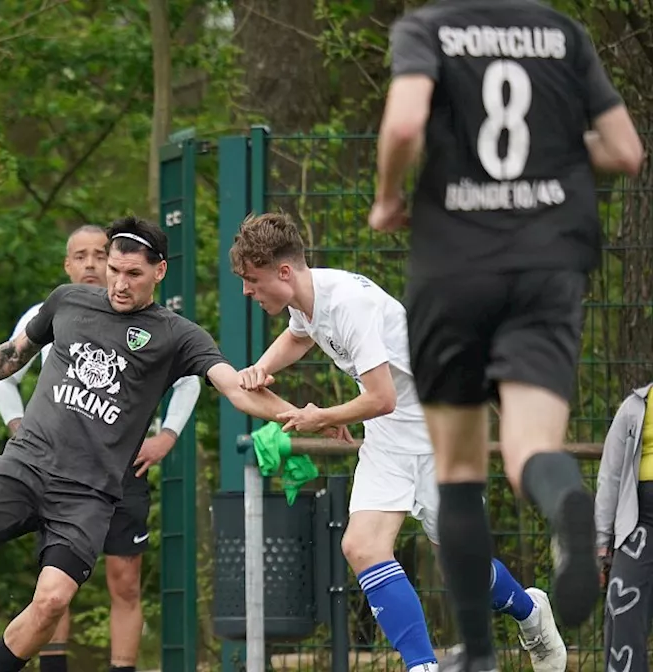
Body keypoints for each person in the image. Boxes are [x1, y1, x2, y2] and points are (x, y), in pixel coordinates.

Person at [0, 216, 343, 672]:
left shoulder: (178, 336)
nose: (119, 283)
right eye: (114, 270)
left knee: (53, 601)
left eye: (133, 274)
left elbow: (237, 387)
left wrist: (308, 417)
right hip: (25, 466)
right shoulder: (67, 302)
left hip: (88, 495)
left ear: (159, 271)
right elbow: (11, 355)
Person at [371, 2, 644, 668]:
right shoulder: (563, 33)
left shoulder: (428, 29)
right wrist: (554, 150)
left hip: (452, 271)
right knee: (528, 448)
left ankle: (479, 652)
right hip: (544, 270)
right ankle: (567, 506)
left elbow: (405, 122)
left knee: (460, 471)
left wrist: (388, 196)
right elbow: (626, 152)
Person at [231, 212, 567, 672]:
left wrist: (323, 416)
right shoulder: (308, 298)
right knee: (362, 546)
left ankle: (530, 613)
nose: (247, 291)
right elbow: (299, 335)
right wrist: (262, 368)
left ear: (283, 272)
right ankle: (421, 667)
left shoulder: (349, 304)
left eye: (252, 280)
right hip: (390, 438)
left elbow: (382, 397)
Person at [0, 224, 201, 672]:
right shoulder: (53, 309)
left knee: (125, 580)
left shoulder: (157, 326)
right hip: (57, 468)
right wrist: (21, 428)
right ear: (67, 265)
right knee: (53, 586)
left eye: (98, 254)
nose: (91, 263)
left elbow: (189, 379)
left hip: (121, 469)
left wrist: (167, 435)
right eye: (80, 255)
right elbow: (6, 372)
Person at [594, 382, 653, 672]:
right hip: (640, 523)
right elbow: (610, 477)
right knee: (622, 603)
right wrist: (602, 544)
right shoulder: (634, 407)